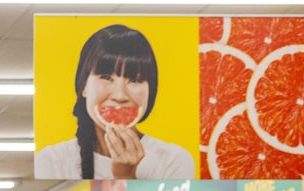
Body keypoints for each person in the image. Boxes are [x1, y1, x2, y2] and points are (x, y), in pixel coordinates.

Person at [35, 24, 194, 180]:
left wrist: (127, 176)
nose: (120, 95)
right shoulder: (53, 162)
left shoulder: (173, 161)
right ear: (84, 86)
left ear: (150, 90)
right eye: (106, 77)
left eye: (134, 80)